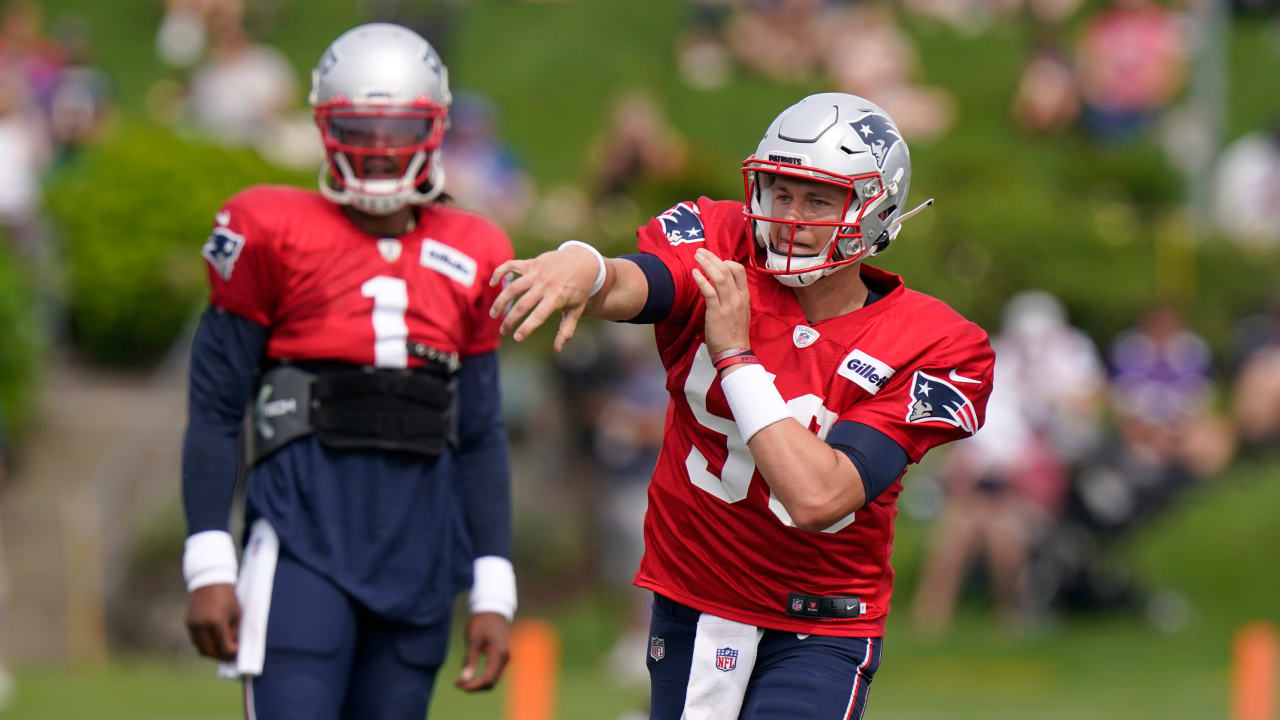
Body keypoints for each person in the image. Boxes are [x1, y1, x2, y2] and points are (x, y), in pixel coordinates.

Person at [491, 93, 994, 719]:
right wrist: (586, 266)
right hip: (697, 599)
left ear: (875, 209)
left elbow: (819, 497)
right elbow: (637, 281)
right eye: (780, 193)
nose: (789, 217)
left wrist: (736, 357)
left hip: (821, 618)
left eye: (817, 199)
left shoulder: (937, 343)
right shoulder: (725, 243)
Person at [180, 23, 515, 720]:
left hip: (422, 549)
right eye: (360, 128)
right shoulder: (268, 228)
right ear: (326, 126)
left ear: (437, 126)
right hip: (303, 537)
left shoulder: (476, 246)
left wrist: (492, 584)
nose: (382, 150)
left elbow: (481, 433)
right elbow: (216, 407)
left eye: (399, 131)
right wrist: (209, 558)